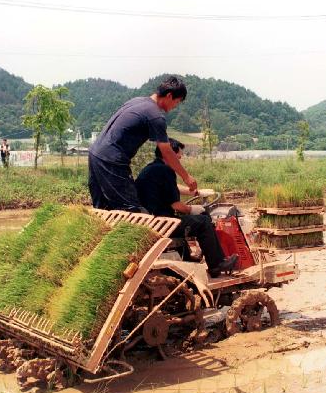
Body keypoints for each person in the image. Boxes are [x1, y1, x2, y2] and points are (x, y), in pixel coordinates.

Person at [88, 76, 198, 212]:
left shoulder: (136, 101)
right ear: (169, 96)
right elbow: (167, 151)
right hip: (112, 159)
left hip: (95, 153)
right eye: (177, 102)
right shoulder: (155, 116)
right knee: (132, 210)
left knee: (103, 208)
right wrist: (186, 177)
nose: (175, 106)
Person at [135, 139, 238, 278]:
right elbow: (176, 205)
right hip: (163, 222)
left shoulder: (151, 169)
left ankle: (188, 258)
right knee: (204, 221)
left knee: (188, 221)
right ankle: (216, 264)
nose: (180, 158)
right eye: (178, 155)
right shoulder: (166, 171)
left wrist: (195, 192)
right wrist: (192, 209)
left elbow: (171, 188)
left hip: (151, 220)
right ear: (169, 154)